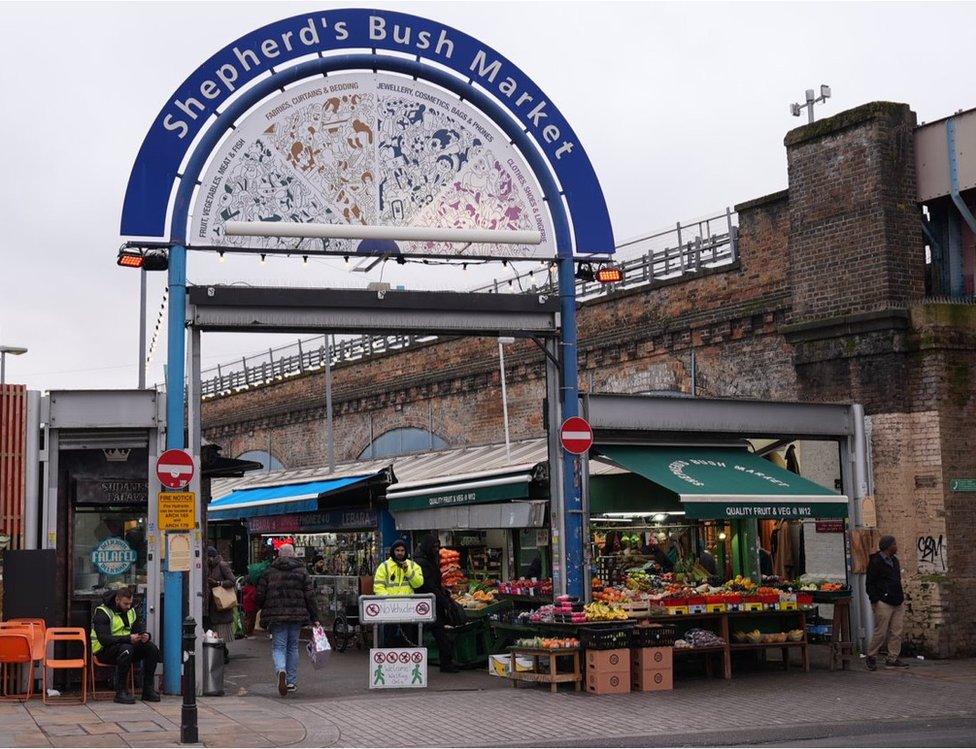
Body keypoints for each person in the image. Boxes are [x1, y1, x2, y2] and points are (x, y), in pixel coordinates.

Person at [256, 543, 320, 696]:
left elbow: (259, 596)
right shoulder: (302, 572)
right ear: (293, 555)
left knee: (279, 647)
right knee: (292, 647)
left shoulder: (269, 572)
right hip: (297, 616)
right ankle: (291, 682)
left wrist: (263, 606)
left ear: (279, 555)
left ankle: (281, 670)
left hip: (276, 616)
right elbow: (310, 596)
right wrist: (315, 617)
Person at [90, 587, 160, 704]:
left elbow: (138, 628)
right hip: (104, 651)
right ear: (117, 600)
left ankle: (148, 690)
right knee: (126, 649)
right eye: (125, 604)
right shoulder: (103, 612)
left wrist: (144, 636)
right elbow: (104, 639)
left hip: (126, 647)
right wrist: (128, 639)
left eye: (130, 603)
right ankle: (121, 692)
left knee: (151, 649)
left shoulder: (131, 610)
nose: (128, 606)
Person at [414, 534, 459, 673]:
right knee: (439, 633)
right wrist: (444, 600)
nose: (436, 549)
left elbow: (435, 583)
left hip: (431, 601)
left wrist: (443, 593)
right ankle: (445, 663)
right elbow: (429, 585)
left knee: (438, 633)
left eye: (437, 546)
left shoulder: (430, 559)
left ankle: (445, 663)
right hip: (427, 603)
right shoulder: (422, 562)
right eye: (434, 546)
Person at [865, 535, 907, 671]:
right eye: (895, 544)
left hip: (897, 601)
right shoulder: (876, 562)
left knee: (897, 631)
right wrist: (875, 599)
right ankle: (871, 656)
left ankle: (892, 658)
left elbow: (896, 580)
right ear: (889, 547)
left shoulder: (895, 561)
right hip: (883, 602)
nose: (897, 546)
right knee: (881, 632)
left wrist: (900, 596)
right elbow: (870, 583)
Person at [373, 540, 424, 647]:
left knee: (408, 637)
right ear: (393, 551)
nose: (400, 553)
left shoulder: (413, 565)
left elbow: (418, 583)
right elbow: (378, 587)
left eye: (402, 550)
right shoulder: (384, 566)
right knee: (389, 637)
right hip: (390, 609)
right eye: (397, 550)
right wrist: (389, 601)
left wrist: (408, 571)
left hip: (407, 608)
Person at [203, 546, 237, 662]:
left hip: (221, 604)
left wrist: (218, 583)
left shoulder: (222, 565)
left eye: (207, 557)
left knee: (220, 629)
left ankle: (222, 653)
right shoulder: (208, 567)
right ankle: (220, 652)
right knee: (213, 629)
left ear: (212, 557)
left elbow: (232, 581)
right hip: (212, 605)